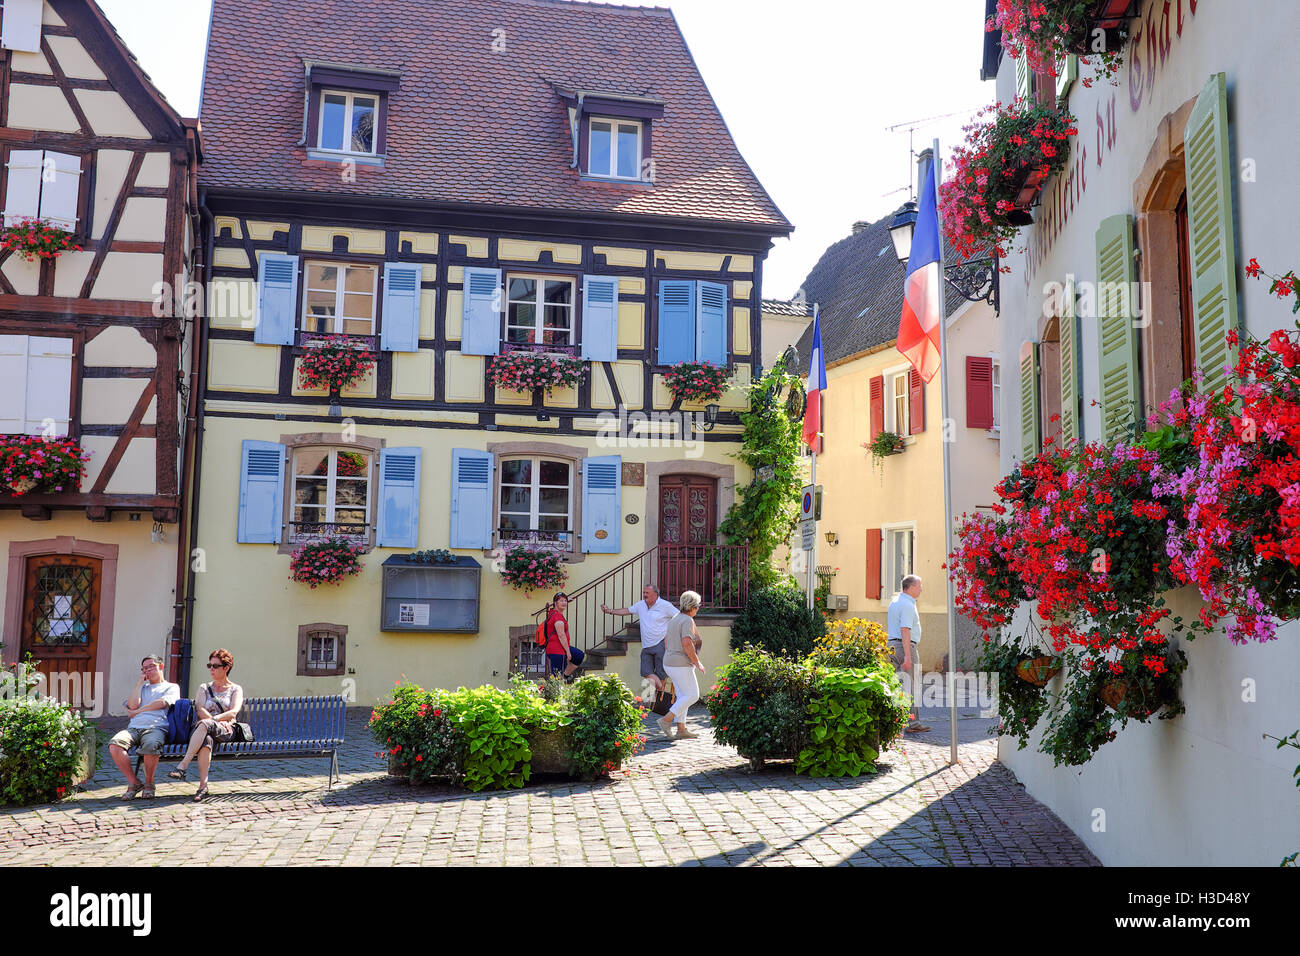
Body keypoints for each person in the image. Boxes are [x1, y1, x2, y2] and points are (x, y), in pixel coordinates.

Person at [167, 648, 244, 801]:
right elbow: (200, 709)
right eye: (210, 666)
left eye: (215, 666)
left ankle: (183, 765)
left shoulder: (235, 689)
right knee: (206, 739)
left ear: (226, 668)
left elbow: (233, 712)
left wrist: (213, 722)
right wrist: (209, 723)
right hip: (204, 729)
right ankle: (203, 786)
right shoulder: (204, 688)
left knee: (205, 725)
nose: (211, 669)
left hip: (226, 729)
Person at [107, 655, 180, 800]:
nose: (148, 670)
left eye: (151, 666)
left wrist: (138, 711)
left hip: (156, 727)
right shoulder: (142, 688)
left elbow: (161, 703)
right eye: (144, 668)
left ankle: (149, 783)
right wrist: (139, 683)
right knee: (115, 745)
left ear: (161, 666)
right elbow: (133, 704)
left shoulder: (171, 687)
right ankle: (134, 782)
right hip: (134, 728)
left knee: (151, 745)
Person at [601, 584, 677, 696]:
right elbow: (627, 610)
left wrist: (669, 637)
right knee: (646, 672)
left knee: (661, 674)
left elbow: (678, 618)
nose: (644, 595)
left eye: (647, 593)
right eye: (644, 592)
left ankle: (653, 702)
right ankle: (660, 690)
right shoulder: (641, 605)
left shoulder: (665, 605)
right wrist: (610, 611)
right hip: (646, 645)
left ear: (655, 594)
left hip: (660, 643)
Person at [656, 590, 706, 740]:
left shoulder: (675, 618)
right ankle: (666, 720)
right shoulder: (686, 620)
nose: (698, 608)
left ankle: (681, 729)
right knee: (692, 695)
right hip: (680, 664)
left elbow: (666, 641)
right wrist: (697, 663)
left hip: (669, 662)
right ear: (692, 606)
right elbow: (687, 643)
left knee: (683, 696)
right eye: (698, 606)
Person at [887, 574, 931, 733]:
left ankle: (894, 721)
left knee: (896, 684)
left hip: (892, 645)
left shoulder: (895, 602)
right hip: (904, 646)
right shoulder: (907, 605)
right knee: (912, 685)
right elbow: (905, 629)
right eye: (919, 586)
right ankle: (913, 723)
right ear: (911, 587)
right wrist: (907, 656)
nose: (921, 589)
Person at [545, 592, 585, 678]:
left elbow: (558, 604)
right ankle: (552, 690)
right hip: (557, 650)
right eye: (561, 601)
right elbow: (561, 635)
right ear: (555, 603)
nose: (564, 603)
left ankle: (565, 675)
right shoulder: (557, 617)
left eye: (565, 601)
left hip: (558, 648)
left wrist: (565, 600)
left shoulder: (552, 612)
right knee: (556, 678)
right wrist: (568, 652)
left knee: (579, 655)